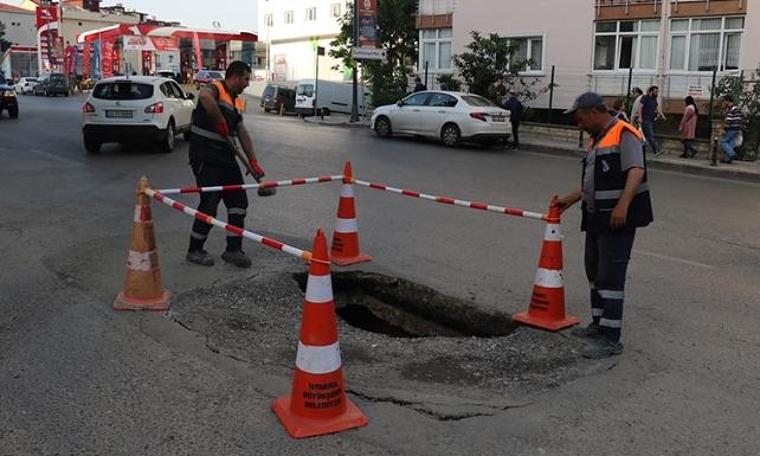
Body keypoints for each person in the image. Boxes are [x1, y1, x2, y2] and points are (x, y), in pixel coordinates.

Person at [555, 92, 653, 359]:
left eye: (580, 119)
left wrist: (623, 204)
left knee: (611, 277)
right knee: (595, 272)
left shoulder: (625, 132)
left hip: (616, 218)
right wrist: (569, 201)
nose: (579, 124)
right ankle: (598, 326)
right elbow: (592, 182)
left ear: (594, 112)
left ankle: (610, 338)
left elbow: (636, 170)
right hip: (597, 217)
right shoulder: (597, 139)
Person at [186, 61, 265, 268]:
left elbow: (242, 132)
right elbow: (204, 97)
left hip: (226, 158)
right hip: (206, 156)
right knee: (209, 204)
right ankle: (194, 249)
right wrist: (219, 120)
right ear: (236, 77)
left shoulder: (236, 101)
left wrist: (253, 160)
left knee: (238, 203)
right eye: (246, 79)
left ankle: (233, 250)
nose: (248, 84)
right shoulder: (216, 88)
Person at [639, 86, 665, 156]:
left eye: (657, 91)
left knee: (647, 136)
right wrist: (640, 117)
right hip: (645, 119)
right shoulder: (645, 98)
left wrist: (662, 115)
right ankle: (657, 149)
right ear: (651, 91)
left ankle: (655, 150)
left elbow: (657, 108)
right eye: (655, 91)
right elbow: (640, 107)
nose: (657, 93)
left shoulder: (654, 99)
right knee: (650, 135)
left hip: (650, 119)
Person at [720, 95, 744, 164]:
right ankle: (727, 159)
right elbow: (741, 118)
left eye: (724, 101)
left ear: (727, 101)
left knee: (723, 141)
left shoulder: (731, 109)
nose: (724, 103)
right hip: (737, 128)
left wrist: (724, 129)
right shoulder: (737, 108)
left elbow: (729, 120)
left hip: (732, 128)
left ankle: (732, 154)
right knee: (730, 143)